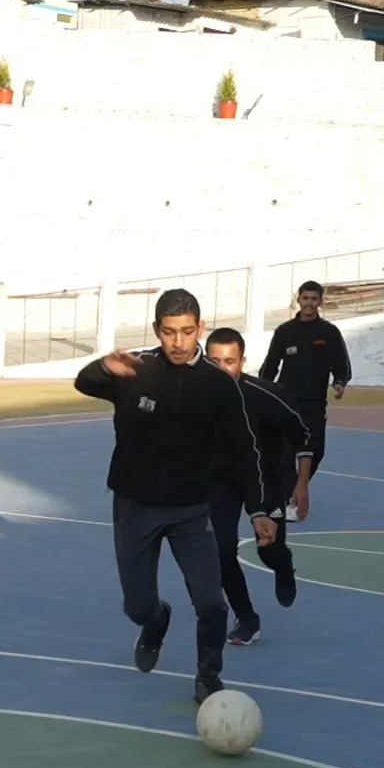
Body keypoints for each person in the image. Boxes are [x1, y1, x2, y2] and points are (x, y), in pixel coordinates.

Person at [76, 289, 276, 705]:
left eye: (186, 332)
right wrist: (103, 367)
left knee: (212, 603)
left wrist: (259, 509)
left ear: (199, 329)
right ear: (156, 331)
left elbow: (244, 449)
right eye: (169, 332)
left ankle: (208, 677)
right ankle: (156, 622)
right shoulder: (136, 371)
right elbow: (84, 383)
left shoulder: (217, 384)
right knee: (137, 605)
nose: (178, 342)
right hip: (134, 507)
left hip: (190, 511)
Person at [204, 328, 314, 643]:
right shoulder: (198, 395)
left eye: (229, 361)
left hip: (265, 481)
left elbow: (304, 436)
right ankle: (247, 618)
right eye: (214, 362)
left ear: (242, 361)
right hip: (221, 482)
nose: (221, 369)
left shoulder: (267, 395)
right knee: (220, 551)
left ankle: (283, 564)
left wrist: (302, 483)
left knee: (269, 552)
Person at [259, 280, 350, 510]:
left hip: (315, 404)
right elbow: (270, 365)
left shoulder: (329, 332)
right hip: (286, 403)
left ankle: (294, 490)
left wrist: (339, 382)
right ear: (298, 299)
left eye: (314, 299)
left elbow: (341, 363)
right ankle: (288, 497)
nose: (309, 303)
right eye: (305, 298)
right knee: (286, 455)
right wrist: (260, 390)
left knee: (315, 452)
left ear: (321, 301)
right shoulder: (284, 331)